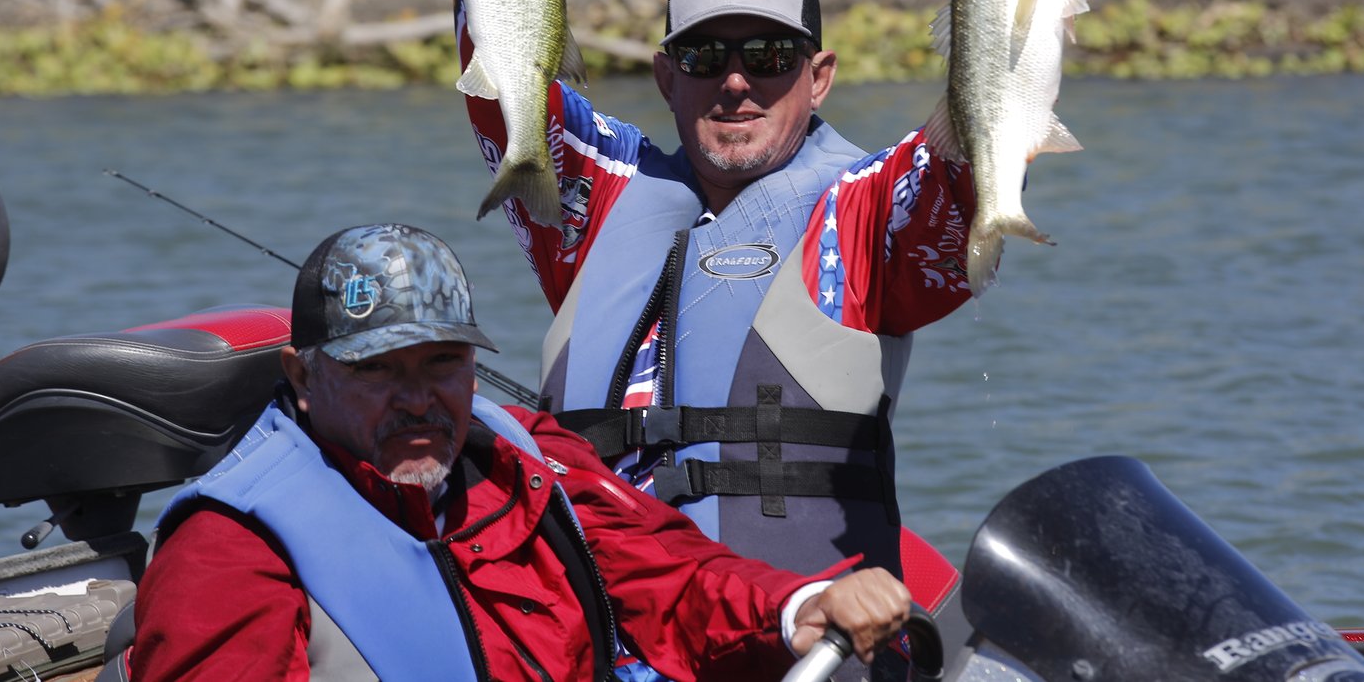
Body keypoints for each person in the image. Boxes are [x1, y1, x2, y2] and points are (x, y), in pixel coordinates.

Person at [384, 0, 1163, 601]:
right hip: (598, 636)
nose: (734, 82)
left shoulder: (859, 209)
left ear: (819, 76)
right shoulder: (599, 196)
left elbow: (962, 173)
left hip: (793, 646)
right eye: (701, 57)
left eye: (768, 55)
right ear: (664, 76)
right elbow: (509, 95)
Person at [128, 223, 911, 682]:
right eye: (376, 368)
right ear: (303, 375)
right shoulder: (228, 547)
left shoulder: (530, 455)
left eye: (442, 363)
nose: (417, 398)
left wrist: (801, 606)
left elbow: (672, 578)